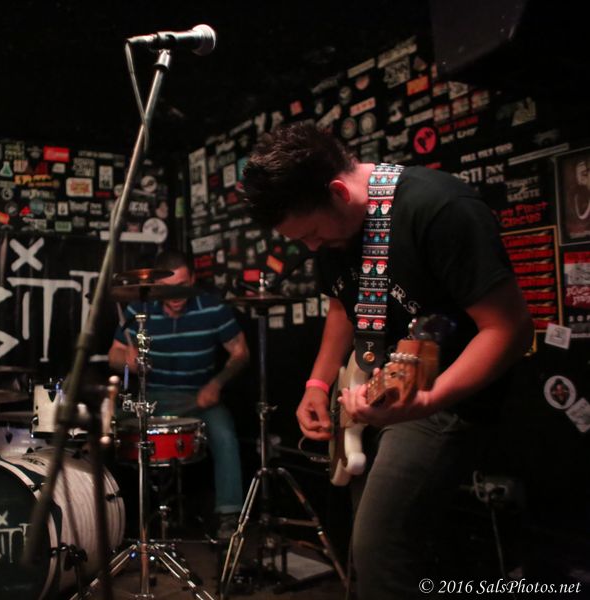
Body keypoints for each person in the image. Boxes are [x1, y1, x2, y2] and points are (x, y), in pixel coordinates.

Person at [241, 123, 533, 599]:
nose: (310, 247)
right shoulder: (335, 233)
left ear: (339, 192)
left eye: (311, 233)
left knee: (380, 549)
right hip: (378, 391)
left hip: (444, 399)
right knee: (369, 548)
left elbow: (510, 329)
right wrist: (318, 384)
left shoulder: (440, 208)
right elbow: (343, 306)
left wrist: (428, 401)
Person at [108, 250, 250, 538]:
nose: (175, 294)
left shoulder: (212, 307)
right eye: (168, 287)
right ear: (157, 285)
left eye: (182, 285)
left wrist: (217, 383)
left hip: (198, 398)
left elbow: (240, 352)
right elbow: (114, 355)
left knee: (224, 434)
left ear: (193, 279)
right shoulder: (139, 309)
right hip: (151, 398)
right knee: (106, 428)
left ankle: (229, 516)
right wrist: (128, 361)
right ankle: (113, 516)